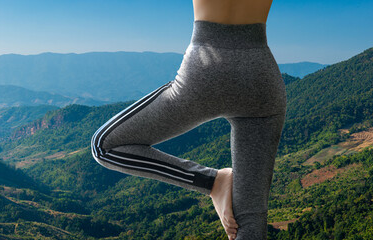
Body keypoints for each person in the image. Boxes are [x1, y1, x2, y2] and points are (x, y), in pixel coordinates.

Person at [90, 0, 283, 239]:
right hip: (261, 78)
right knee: (250, 220)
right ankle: (216, 184)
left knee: (103, 145)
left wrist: (208, 182)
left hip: (205, 71)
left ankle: (211, 181)